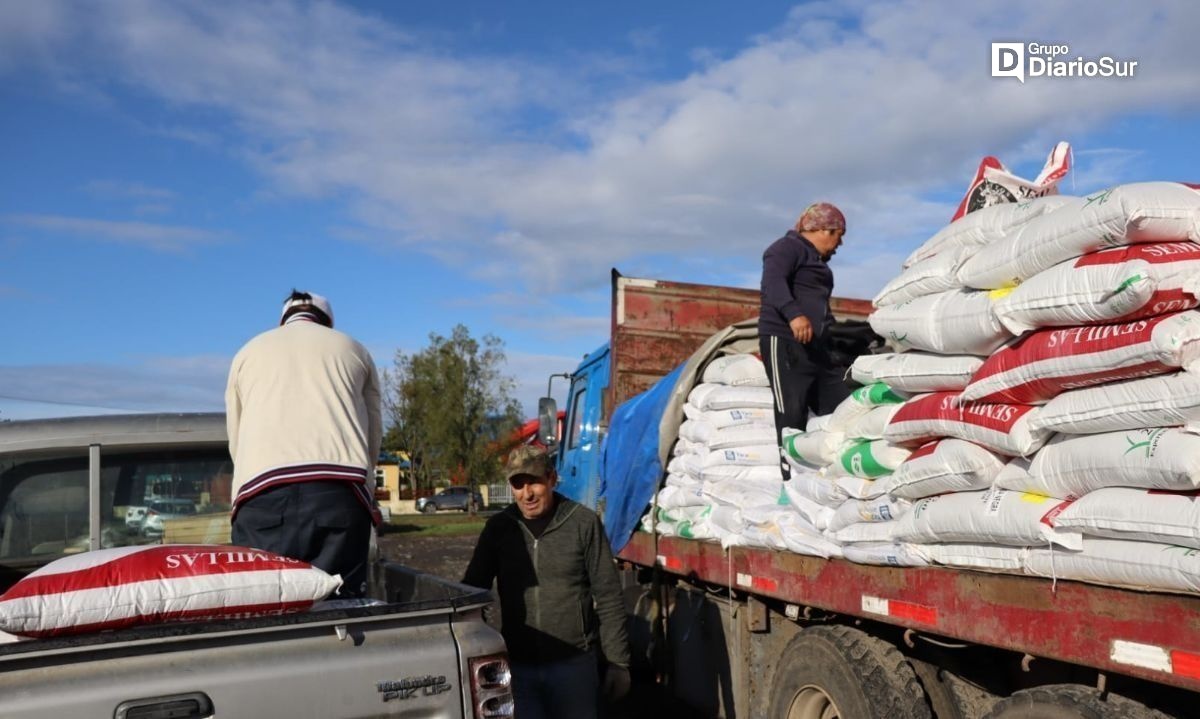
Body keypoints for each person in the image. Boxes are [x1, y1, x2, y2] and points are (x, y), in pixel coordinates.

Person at [225, 290, 382, 597]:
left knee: (263, 606)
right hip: (339, 490)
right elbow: (372, 430)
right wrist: (368, 483)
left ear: (283, 319)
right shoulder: (353, 349)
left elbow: (237, 435)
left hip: (261, 494)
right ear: (328, 323)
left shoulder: (247, 352)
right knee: (339, 605)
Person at [462, 445, 632, 719]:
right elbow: (471, 592)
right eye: (518, 484)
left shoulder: (582, 523)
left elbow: (609, 595)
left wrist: (618, 663)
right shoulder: (500, 528)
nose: (526, 493)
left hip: (575, 667)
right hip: (519, 668)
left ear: (552, 479)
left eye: (535, 482)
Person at [759, 202, 851, 479]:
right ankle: (790, 480)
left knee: (840, 406)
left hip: (816, 347)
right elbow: (773, 283)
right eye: (839, 235)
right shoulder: (786, 248)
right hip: (785, 339)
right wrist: (794, 315)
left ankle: (831, 472)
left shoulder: (818, 264)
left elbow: (821, 308)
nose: (840, 243)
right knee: (792, 410)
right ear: (824, 229)